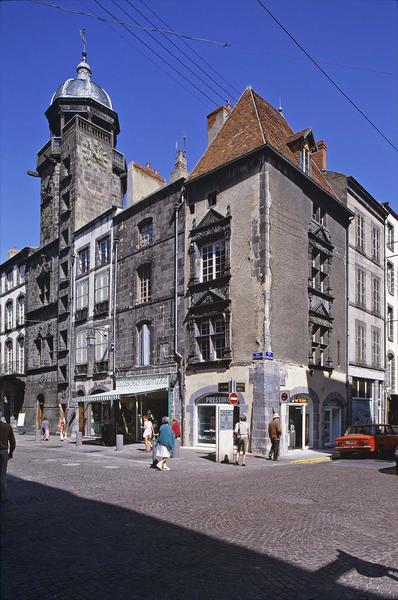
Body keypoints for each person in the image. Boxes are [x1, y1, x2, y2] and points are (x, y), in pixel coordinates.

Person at [0, 420, 16, 502]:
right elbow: (13, 442)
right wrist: (11, 452)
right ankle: (2, 497)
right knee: (2, 474)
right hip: (3, 452)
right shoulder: (7, 426)